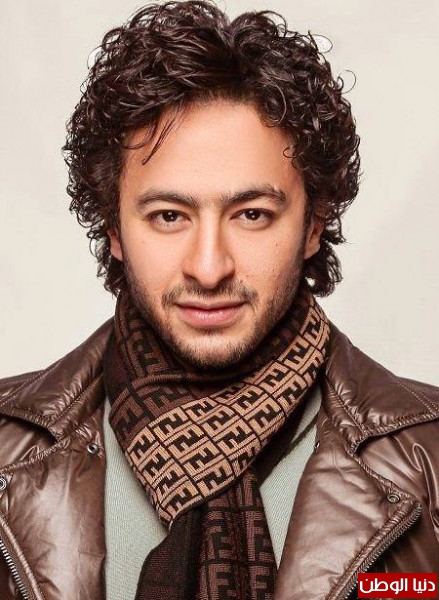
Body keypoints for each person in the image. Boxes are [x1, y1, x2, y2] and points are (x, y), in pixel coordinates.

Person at [0, 1, 438, 599]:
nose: (209, 268)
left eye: (252, 214)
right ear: (114, 228)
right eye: (169, 216)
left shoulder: (429, 458)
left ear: (314, 222)